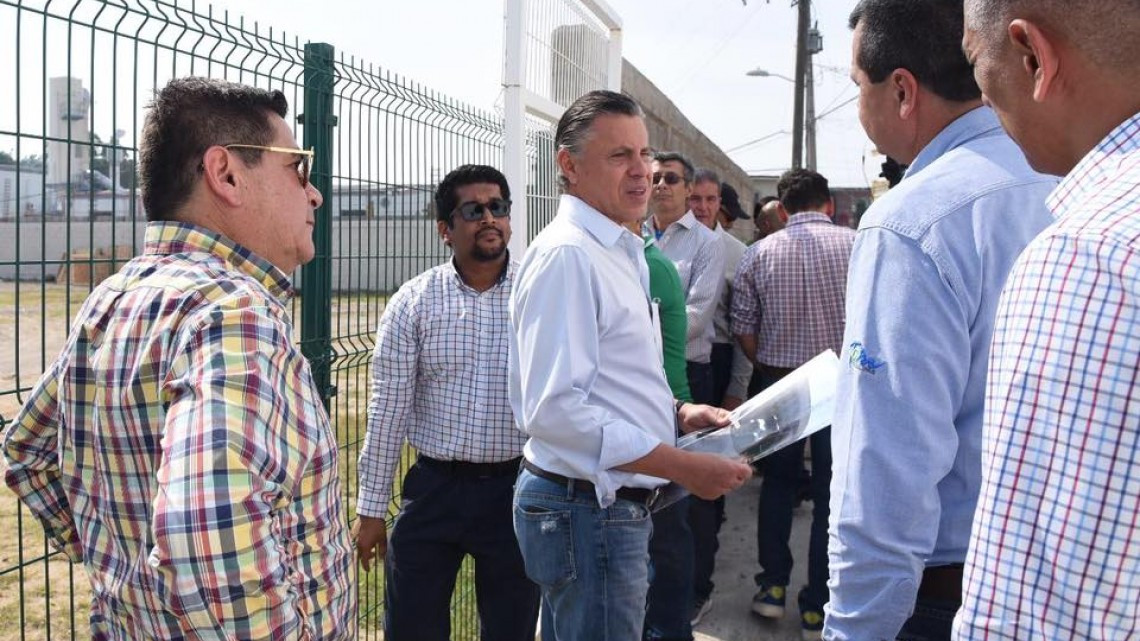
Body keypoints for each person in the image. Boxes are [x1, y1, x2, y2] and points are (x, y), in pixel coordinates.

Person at [1, 77, 355, 639]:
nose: (313, 193)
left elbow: (27, 449)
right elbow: (201, 537)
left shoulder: (111, 300)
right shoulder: (234, 312)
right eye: (297, 167)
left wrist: (117, 561)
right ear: (226, 174)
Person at [823, 3, 1058, 640]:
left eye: (856, 87)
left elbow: (885, 479)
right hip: (1059, 584)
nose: (858, 107)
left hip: (943, 594)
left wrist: (854, 629)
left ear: (902, 90)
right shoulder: (1073, 181)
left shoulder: (912, 223)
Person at [509, 89, 753, 641]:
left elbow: (612, 381)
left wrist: (679, 411)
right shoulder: (570, 256)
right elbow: (555, 410)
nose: (643, 171)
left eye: (645, 154)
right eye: (620, 156)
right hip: (586, 511)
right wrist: (683, 466)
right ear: (569, 166)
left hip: (603, 509)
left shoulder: (620, 250)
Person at [953, 1, 1140, 638]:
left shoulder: (1090, 257)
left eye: (978, 67)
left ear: (1033, 56)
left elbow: (1033, 612)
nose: (985, 106)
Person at [354, 164, 539, 641]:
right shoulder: (414, 302)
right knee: (412, 627)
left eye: (498, 207)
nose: (489, 219)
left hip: (515, 490)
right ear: (445, 229)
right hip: (435, 489)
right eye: (473, 210)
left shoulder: (536, 295)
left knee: (511, 628)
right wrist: (371, 510)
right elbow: (388, 407)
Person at [732, 168, 854, 640]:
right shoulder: (857, 245)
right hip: (843, 389)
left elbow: (743, 324)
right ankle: (817, 607)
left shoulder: (758, 253)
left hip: (782, 388)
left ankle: (772, 589)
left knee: (778, 488)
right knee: (830, 496)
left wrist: (767, 366)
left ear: (781, 210)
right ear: (828, 205)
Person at [686, 169, 754, 626]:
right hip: (679, 368)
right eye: (696, 197)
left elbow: (747, 325)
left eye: (711, 199)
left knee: (708, 486)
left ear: (721, 206)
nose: (702, 207)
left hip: (720, 366)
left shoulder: (736, 254)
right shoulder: (654, 244)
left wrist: (735, 389)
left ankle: (700, 584)